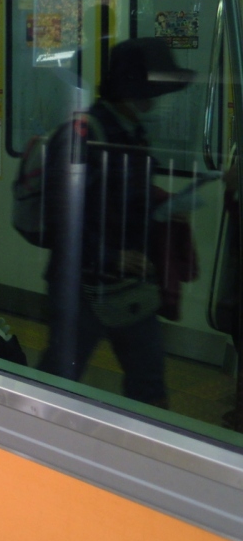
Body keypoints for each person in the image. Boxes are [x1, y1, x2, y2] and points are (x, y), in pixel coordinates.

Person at [37, 37, 198, 407]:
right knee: (58, 380)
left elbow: (122, 199)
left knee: (148, 382)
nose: (156, 102)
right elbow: (62, 217)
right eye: (151, 93)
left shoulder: (130, 132)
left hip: (128, 284)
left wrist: (164, 206)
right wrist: (111, 257)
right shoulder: (83, 136)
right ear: (131, 93)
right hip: (80, 286)